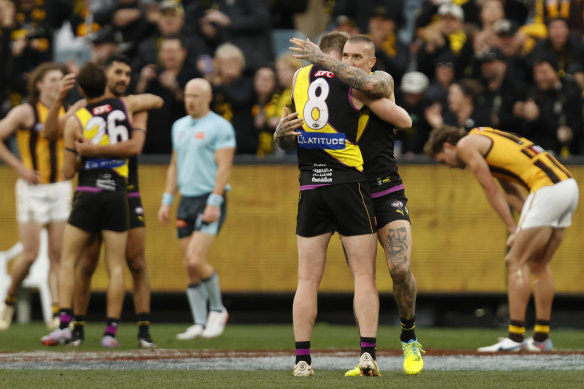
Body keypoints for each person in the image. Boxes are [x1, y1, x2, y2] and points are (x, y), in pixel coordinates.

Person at [289, 33, 424, 375]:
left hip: (382, 187)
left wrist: (324, 59)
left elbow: (405, 120)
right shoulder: (337, 85)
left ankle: (408, 336)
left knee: (398, 269)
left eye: (356, 57)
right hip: (350, 187)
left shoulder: (376, 82)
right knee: (359, 274)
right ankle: (366, 352)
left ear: (371, 61)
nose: (349, 62)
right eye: (345, 55)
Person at [423, 125, 578, 352]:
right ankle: (542, 339)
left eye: (442, 159)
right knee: (539, 264)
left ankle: (515, 338)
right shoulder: (484, 137)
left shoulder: (466, 144)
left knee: (514, 261)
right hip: (568, 185)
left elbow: (490, 189)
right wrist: (527, 223)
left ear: (448, 145)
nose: (447, 166)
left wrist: (513, 228)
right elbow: (511, 192)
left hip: (547, 188)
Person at [40, 62, 163, 346]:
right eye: (118, 73)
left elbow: (67, 168)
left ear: (81, 86)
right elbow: (156, 101)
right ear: (105, 77)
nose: (123, 78)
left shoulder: (80, 115)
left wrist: (88, 152)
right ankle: (109, 332)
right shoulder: (125, 105)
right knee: (110, 264)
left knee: (73, 260)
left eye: (127, 73)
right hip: (118, 190)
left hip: (90, 189)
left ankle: (67, 324)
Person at [0, 63, 83, 331]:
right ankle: (10, 296)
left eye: (61, 79)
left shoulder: (67, 112)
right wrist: (19, 167)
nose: (57, 83)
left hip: (59, 187)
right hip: (33, 190)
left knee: (58, 253)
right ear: (39, 84)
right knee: (31, 254)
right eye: (52, 79)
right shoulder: (25, 111)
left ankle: (57, 313)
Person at [158, 78, 235, 341]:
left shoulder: (220, 127)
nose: (190, 100)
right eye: (187, 95)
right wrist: (167, 199)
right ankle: (199, 322)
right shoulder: (179, 126)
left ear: (208, 98)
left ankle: (217, 309)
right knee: (189, 266)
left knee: (195, 259)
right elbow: (174, 164)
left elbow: (225, 167)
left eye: (195, 96)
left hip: (208, 199)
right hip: (186, 200)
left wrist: (215, 201)